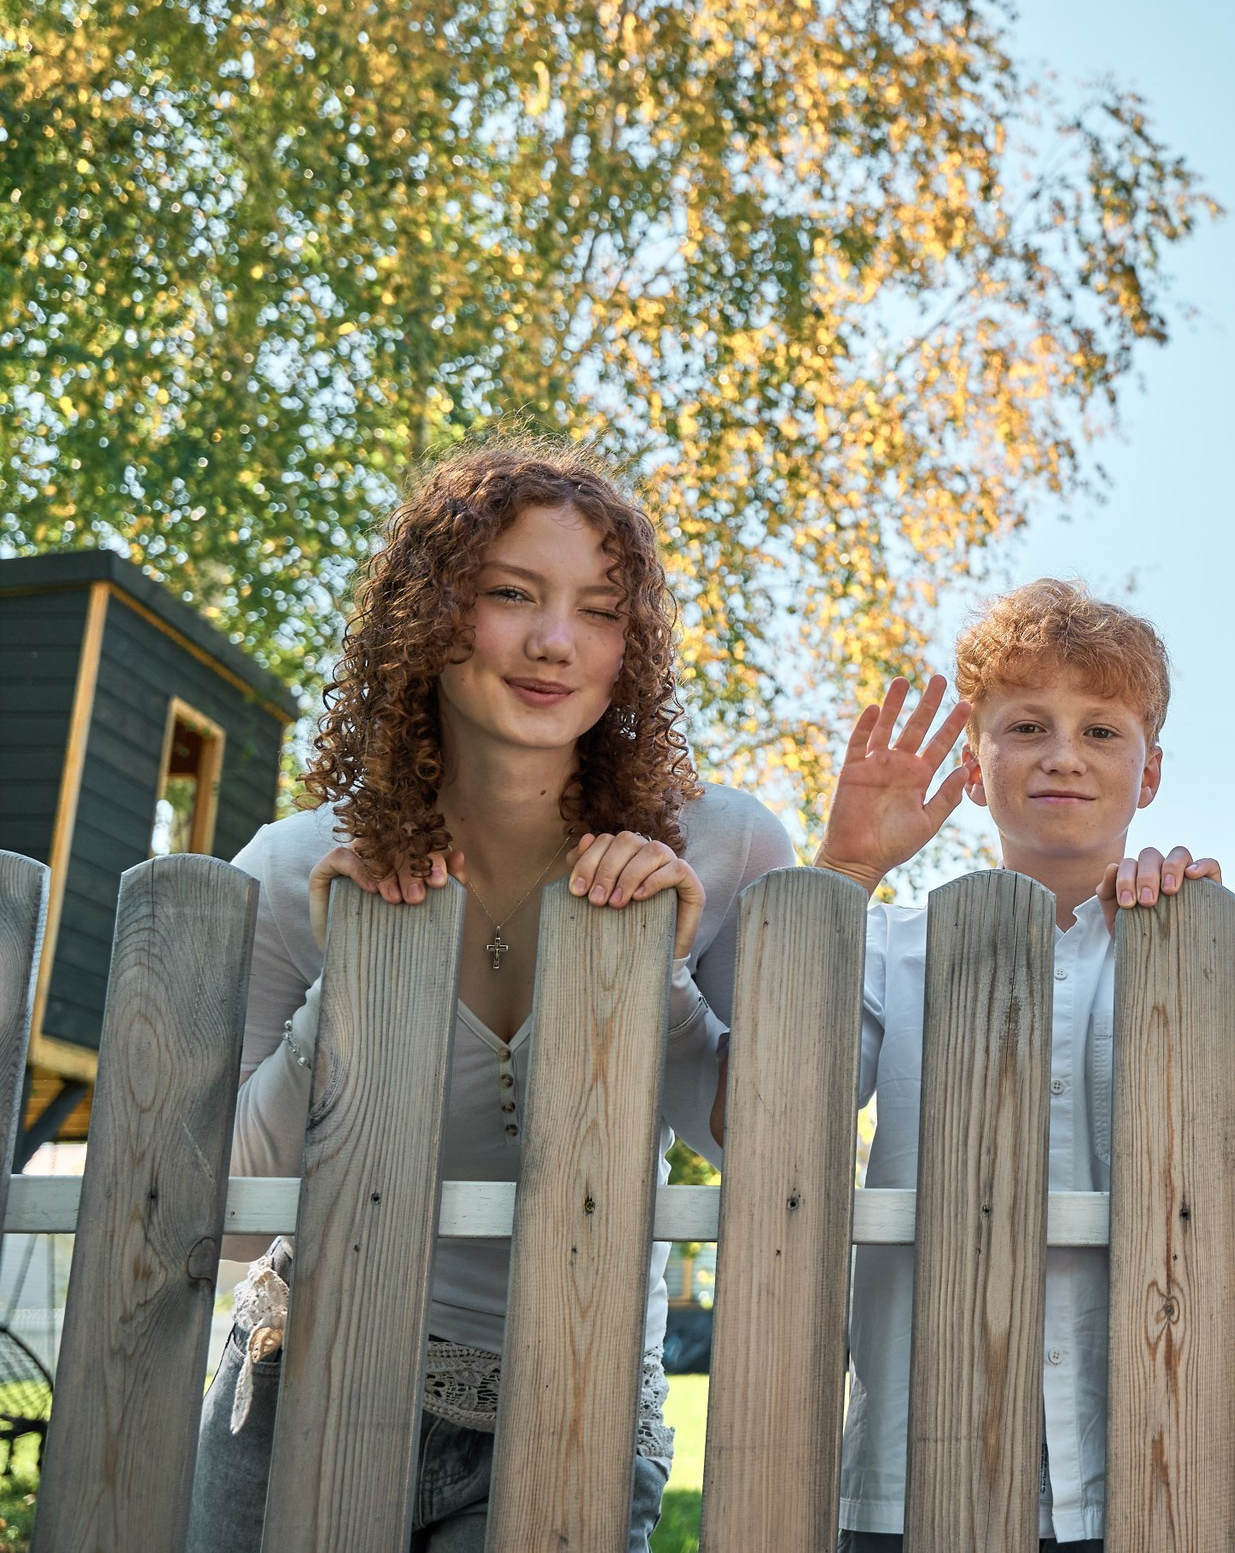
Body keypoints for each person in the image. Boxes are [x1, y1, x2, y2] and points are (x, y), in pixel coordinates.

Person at [192, 441, 794, 1552]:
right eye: (511, 594)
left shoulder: (724, 843)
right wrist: (345, 992)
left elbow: (762, 1148)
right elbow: (224, 1219)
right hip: (302, 1386)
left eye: (601, 609)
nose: (555, 642)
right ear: (426, 614)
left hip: (577, 1402)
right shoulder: (292, 866)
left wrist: (653, 973)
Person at [814, 579, 1235, 1551]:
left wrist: (1188, 987)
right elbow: (770, 1118)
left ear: (1151, 773)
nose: (1062, 757)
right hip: (913, 1467)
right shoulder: (891, 951)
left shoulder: (1228, 954)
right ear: (973, 762)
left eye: (1100, 732)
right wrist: (847, 869)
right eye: (1027, 726)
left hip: (1146, 1466)